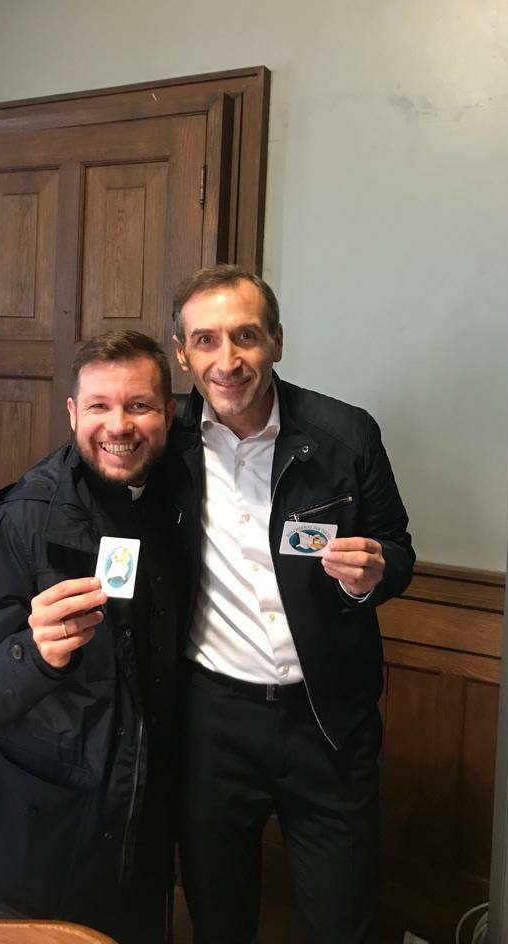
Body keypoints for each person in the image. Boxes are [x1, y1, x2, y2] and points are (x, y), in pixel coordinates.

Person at [169, 268, 415, 944]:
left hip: (328, 719)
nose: (227, 361)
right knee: (218, 919)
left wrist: (372, 575)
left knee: (342, 921)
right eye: (206, 340)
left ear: (277, 340)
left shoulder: (346, 434)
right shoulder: (164, 441)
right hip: (211, 721)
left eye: (245, 336)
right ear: (182, 353)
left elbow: (398, 550)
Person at [0, 331, 183, 944]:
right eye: (98, 405)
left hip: (134, 862)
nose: (118, 425)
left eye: (139, 405)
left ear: (169, 414)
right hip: (20, 866)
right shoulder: (23, 521)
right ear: (72, 413)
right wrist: (32, 655)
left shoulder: (178, 505)